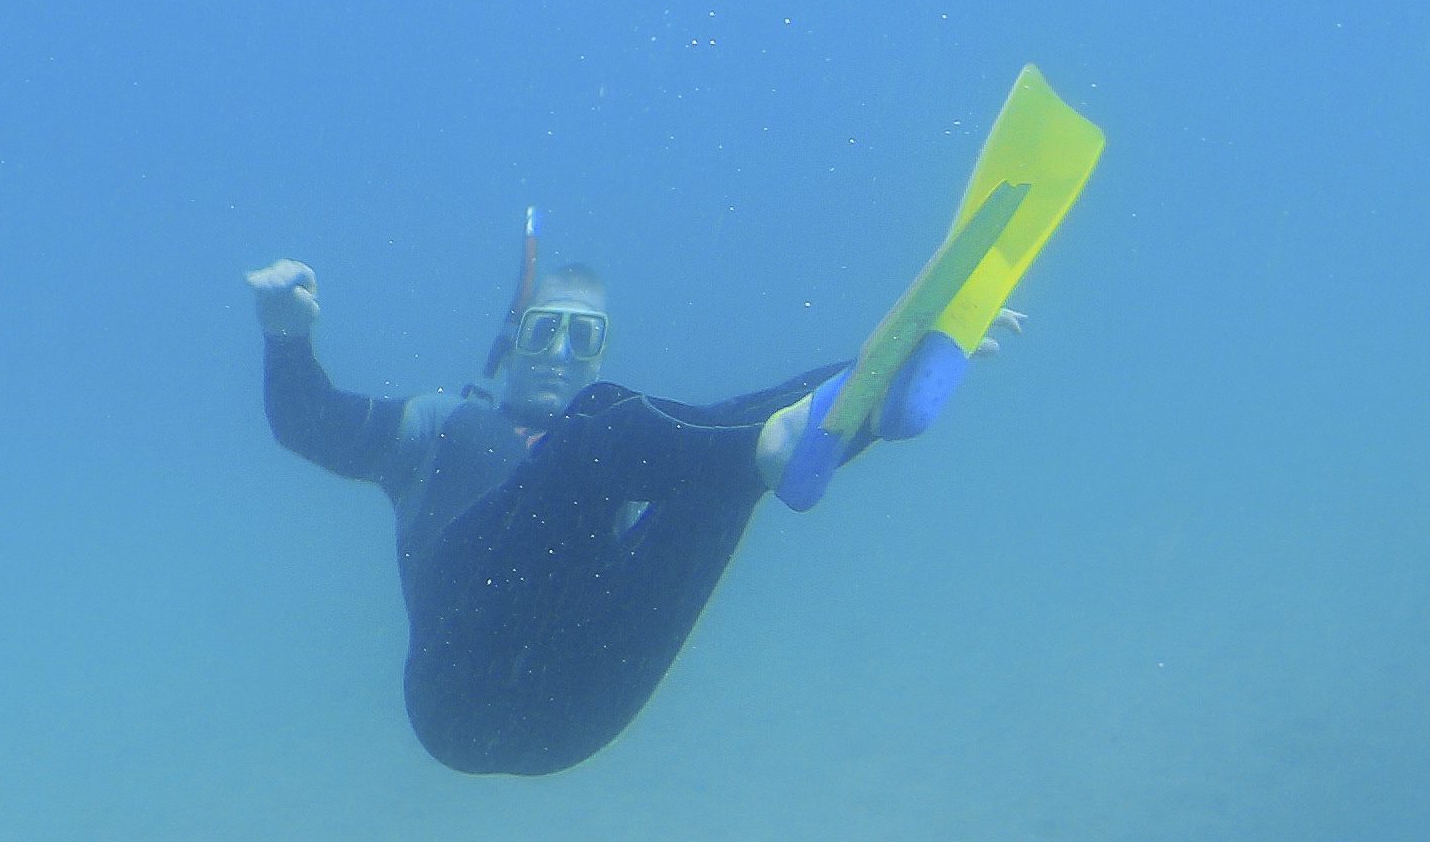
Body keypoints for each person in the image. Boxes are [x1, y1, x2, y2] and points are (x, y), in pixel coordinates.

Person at [250, 240, 983, 776]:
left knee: (703, 457)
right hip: (456, 696)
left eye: (585, 335)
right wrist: (286, 333)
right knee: (628, 428)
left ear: (600, 348)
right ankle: (781, 444)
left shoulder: (619, 449)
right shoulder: (439, 427)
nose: (563, 351)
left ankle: (871, 405)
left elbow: (716, 424)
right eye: (545, 329)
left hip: (576, 711)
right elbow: (308, 423)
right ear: (509, 344)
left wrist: (888, 362)